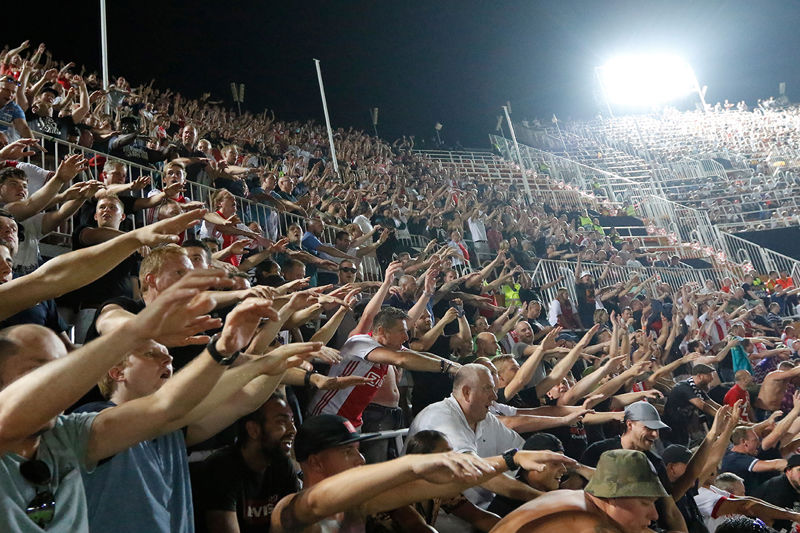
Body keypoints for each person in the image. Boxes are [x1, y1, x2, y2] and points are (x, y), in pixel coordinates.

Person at [0, 270, 231, 530]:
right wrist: (137, 330)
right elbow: (52, 278)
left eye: (60, 367)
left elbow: (166, 406)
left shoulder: (67, 435)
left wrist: (223, 350)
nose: (56, 381)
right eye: (37, 370)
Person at [269, 414, 574, 533]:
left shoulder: (358, 506)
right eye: (348, 452)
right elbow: (318, 502)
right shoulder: (290, 510)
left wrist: (511, 458)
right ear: (316, 462)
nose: (360, 459)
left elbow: (427, 487)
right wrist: (411, 464)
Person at [194, 394, 301, 533]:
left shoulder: (282, 465)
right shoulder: (221, 469)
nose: (293, 430)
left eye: (292, 421)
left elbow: (292, 525)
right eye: (281, 422)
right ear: (253, 430)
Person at [490, 449, 665, 533]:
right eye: (645, 503)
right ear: (613, 497)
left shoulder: (576, 499)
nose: (654, 515)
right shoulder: (590, 526)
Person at [581, 401, 688, 531]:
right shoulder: (598, 452)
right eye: (649, 428)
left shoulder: (655, 462)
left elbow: (670, 510)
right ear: (630, 424)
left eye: (657, 430)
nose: (655, 435)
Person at [661, 363, 719, 447]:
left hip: (682, 428)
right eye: (709, 375)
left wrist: (728, 412)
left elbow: (712, 403)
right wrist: (720, 416)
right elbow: (702, 405)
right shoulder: (684, 387)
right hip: (671, 429)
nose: (712, 378)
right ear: (700, 376)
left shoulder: (697, 388)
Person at [720, 426, 788, 494]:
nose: (758, 443)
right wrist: (793, 465)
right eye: (755, 440)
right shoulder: (737, 459)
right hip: (743, 499)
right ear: (744, 442)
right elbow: (775, 465)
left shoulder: (732, 451)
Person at [752, 454, 800, 531]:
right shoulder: (778, 490)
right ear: (788, 471)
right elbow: (766, 520)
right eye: (799, 470)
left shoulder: (795, 485)